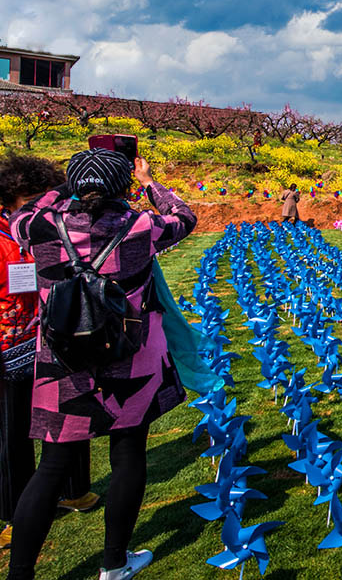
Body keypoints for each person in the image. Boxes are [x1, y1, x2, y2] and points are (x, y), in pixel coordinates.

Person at [7, 149, 197, 580]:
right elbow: (183, 216)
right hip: (130, 360)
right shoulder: (141, 226)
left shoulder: (38, 226)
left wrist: (68, 185)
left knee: (52, 467)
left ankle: (19, 575)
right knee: (128, 455)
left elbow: (25, 210)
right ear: (123, 187)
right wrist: (147, 181)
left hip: (63, 361)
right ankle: (113, 563)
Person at [0, 156, 98, 551]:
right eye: (28, 200)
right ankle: (14, 510)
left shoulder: (58, 225)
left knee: (71, 414)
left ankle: (75, 489)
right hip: (9, 344)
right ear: (9, 201)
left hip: (58, 334)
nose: (37, 206)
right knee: (12, 431)